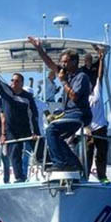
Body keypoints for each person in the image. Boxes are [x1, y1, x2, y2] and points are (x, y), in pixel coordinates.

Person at [28, 36, 91, 173]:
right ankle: (77, 166)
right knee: (56, 138)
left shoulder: (82, 77)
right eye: (61, 62)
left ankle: (60, 164)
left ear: (74, 62)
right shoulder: (66, 74)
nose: (62, 65)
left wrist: (63, 82)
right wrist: (39, 48)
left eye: (65, 62)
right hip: (69, 113)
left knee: (51, 130)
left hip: (79, 113)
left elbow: (74, 97)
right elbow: (50, 64)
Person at [0, 55, 40, 183]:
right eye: (12, 80)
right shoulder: (6, 92)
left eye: (17, 81)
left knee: (39, 148)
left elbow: (34, 115)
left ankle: (49, 168)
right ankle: (19, 178)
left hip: (26, 129)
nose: (13, 83)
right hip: (12, 131)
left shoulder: (27, 97)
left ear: (22, 83)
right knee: (14, 154)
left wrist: (35, 132)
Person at [86, 46, 110, 184]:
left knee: (101, 153)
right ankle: (85, 176)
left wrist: (101, 59)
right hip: (89, 129)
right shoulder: (82, 97)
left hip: (100, 127)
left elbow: (100, 76)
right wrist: (87, 128)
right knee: (88, 154)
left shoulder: (97, 90)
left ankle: (102, 176)